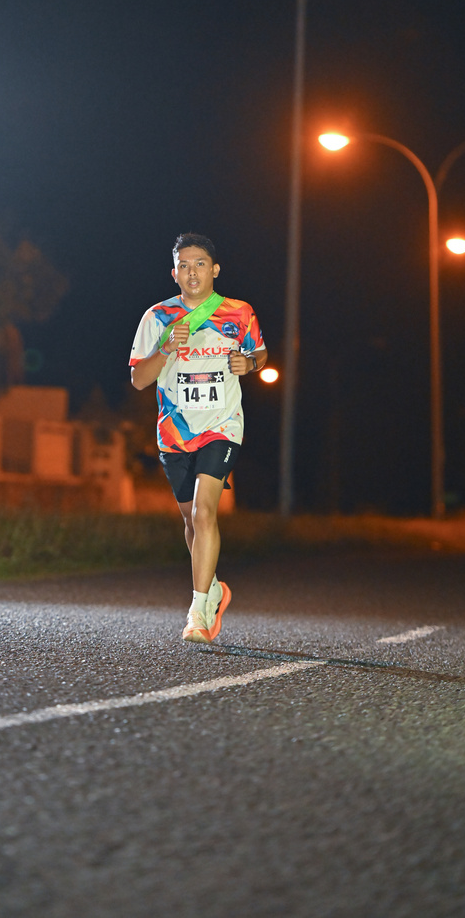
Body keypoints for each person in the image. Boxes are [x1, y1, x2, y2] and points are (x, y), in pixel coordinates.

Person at [129, 233, 267, 643]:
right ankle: (215, 590)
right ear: (174, 273)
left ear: (215, 269)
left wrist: (249, 364)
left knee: (205, 513)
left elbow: (260, 353)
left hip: (222, 426)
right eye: (184, 266)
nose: (192, 272)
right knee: (191, 520)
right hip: (175, 433)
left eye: (200, 264)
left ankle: (198, 612)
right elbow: (139, 380)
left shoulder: (239, 312)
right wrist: (166, 349)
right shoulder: (157, 317)